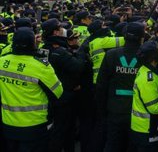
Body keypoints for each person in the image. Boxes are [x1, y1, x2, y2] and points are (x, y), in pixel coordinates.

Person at [0, 27, 63, 152]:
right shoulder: (40, 66)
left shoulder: (2, 61)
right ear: (32, 43)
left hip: (8, 123)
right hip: (34, 126)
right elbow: (58, 92)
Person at [96, 21, 145, 152]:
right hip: (138, 112)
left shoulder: (111, 54)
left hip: (114, 110)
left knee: (113, 145)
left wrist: (102, 110)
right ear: (142, 38)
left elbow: (101, 85)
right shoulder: (146, 57)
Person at [42, 18, 86, 152]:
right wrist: (80, 52)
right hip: (64, 96)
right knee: (64, 129)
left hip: (47, 95)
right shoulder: (60, 51)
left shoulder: (42, 49)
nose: (63, 31)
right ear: (55, 32)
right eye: (60, 28)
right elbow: (78, 67)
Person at [131, 41, 158, 151]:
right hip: (147, 129)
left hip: (146, 127)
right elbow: (154, 108)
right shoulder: (148, 80)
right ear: (153, 57)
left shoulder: (147, 69)